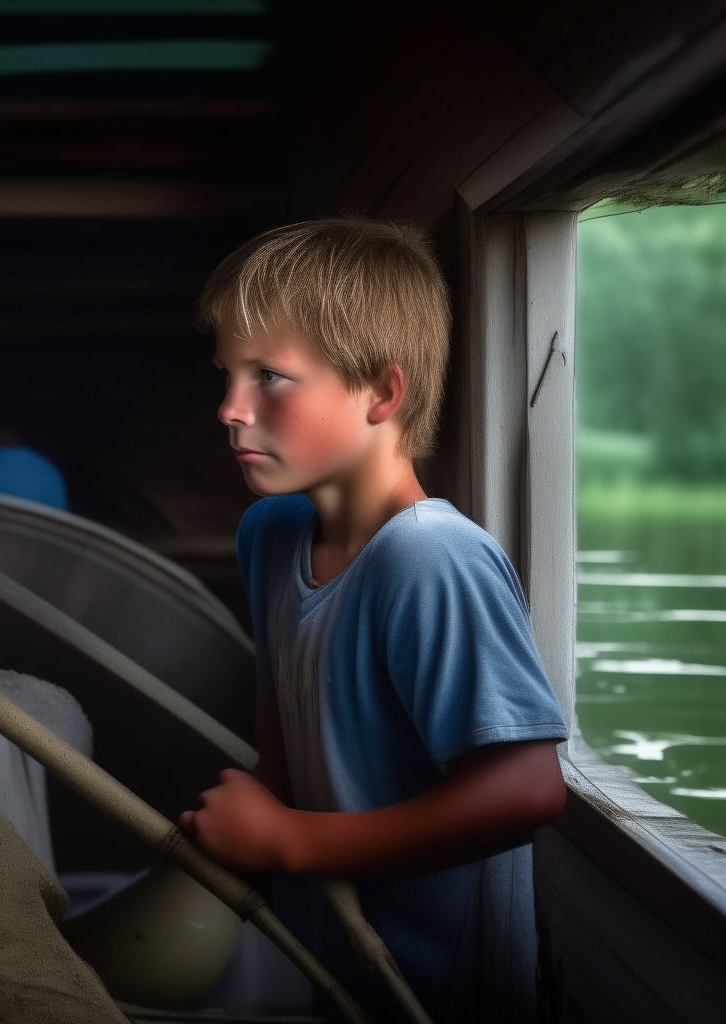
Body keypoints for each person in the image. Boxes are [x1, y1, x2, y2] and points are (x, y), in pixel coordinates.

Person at [179, 219, 568, 1022]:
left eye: (270, 378)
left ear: (382, 394)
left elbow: (526, 791)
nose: (228, 408)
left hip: (439, 993)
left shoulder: (431, 559)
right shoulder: (270, 534)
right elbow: (281, 726)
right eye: (227, 376)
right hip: (331, 964)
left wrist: (287, 841)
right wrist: (253, 831)